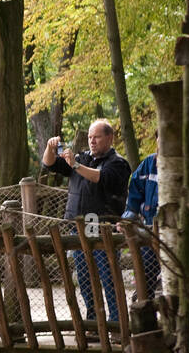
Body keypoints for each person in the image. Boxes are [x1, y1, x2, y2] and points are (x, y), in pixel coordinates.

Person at [42, 120, 132, 323]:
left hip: (101, 225)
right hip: (78, 224)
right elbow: (49, 164)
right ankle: (93, 319)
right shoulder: (82, 157)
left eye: (97, 137)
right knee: (84, 276)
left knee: (107, 275)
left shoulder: (117, 163)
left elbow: (100, 178)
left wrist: (75, 164)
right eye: (90, 137)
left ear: (109, 138)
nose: (92, 141)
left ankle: (117, 322)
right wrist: (50, 148)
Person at [120, 143, 189, 296]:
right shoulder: (148, 165)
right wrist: (127, 218)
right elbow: (134, 197)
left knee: (182, 279)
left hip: (183, 234)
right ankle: (144, 306)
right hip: (150, 233)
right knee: (145, 276)